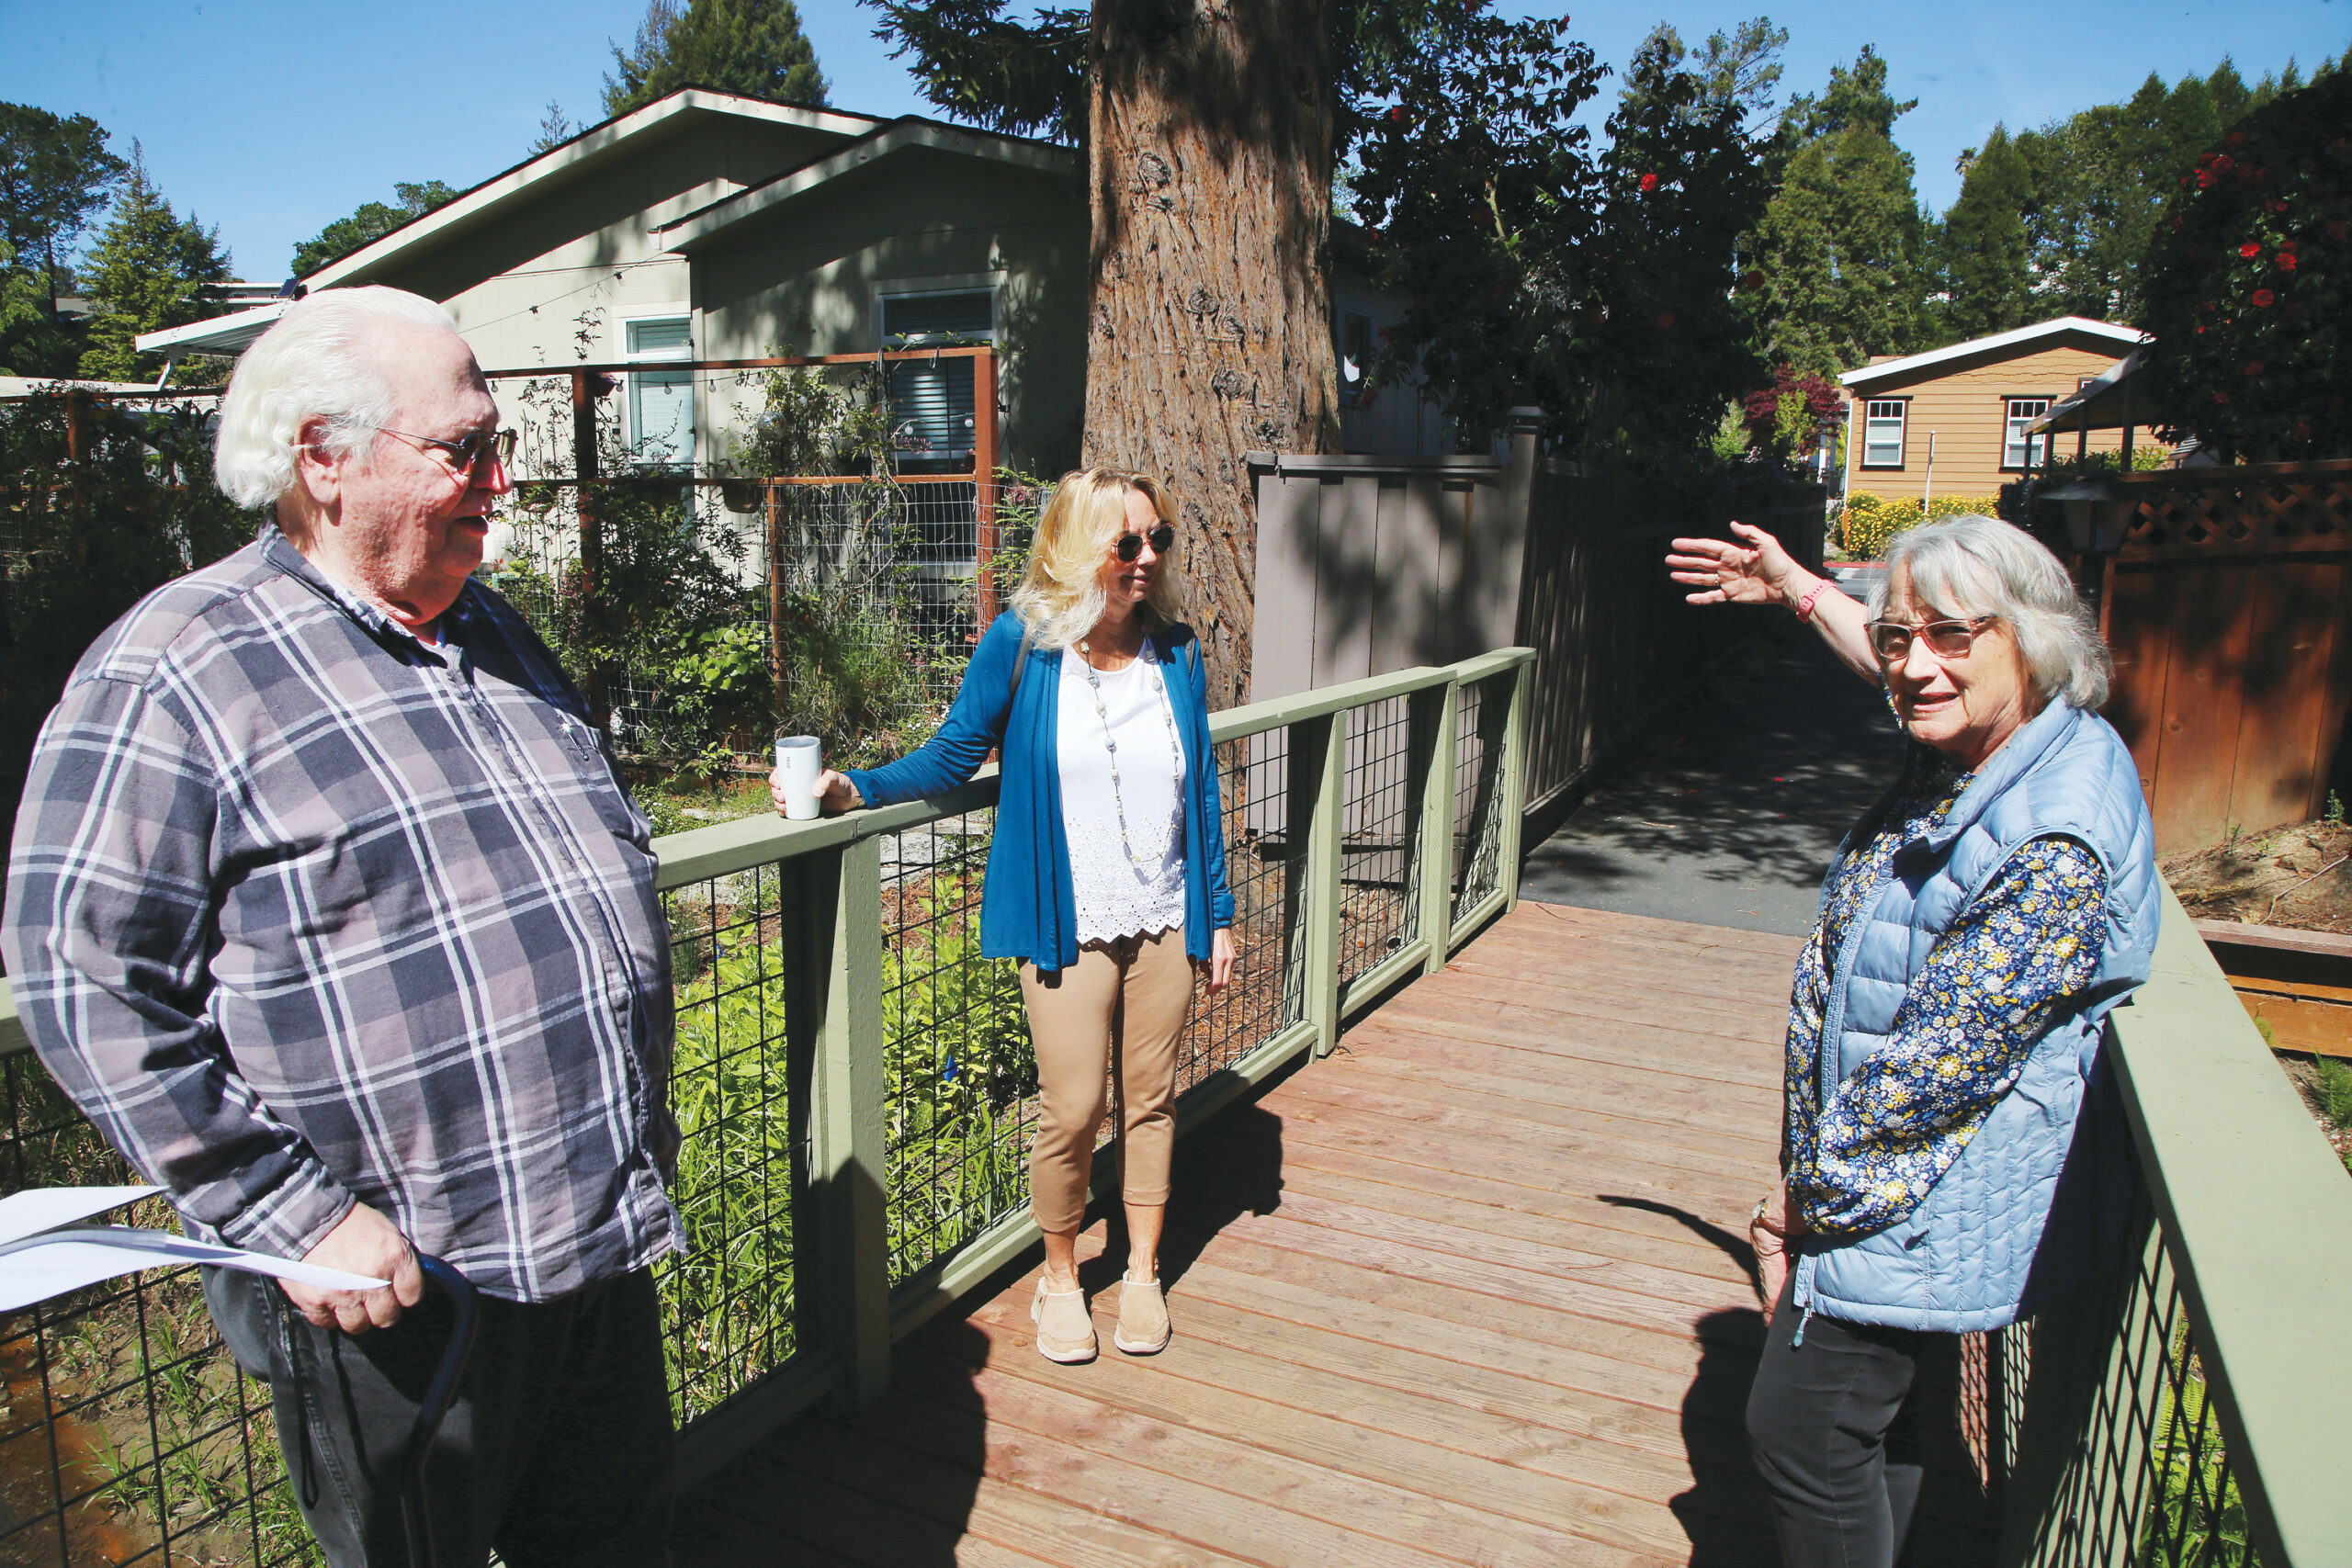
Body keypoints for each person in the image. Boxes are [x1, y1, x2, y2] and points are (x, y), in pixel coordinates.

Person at [4, 287, 683, 1568]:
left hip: (590, 1242)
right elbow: (80, 975)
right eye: (463, 447)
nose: (500, 478)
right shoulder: (179, 661)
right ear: (324, 455)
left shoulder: (489, 624)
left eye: (500, 444)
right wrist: (288, 1213)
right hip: (397, 1291)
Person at [1666, 515, 2159, 1567]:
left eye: (1948, 635)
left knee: (1798, 1427)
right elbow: (1909, 672)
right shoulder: (2019, 734)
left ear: (2027, 639)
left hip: (1909, 1190)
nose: (1913, 665)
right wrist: (1799, 587)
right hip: (1912, 1186)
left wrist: (1802, 1207)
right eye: (1898, 638)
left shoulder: (2049, 837)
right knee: (1872, 1426)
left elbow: (1935, 1074)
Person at [772, 468, 1236, 1363]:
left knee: (1151, 1100)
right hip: (1066, 915)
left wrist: (1214, 911)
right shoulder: (1024, 645)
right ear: (1076, 550)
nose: (1146, 559)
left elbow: (1202, 791)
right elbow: (953, 754)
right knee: (1071, 1106)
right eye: (1125, 543)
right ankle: (1060, 1278)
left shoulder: (1175, 651)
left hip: (1164, 914)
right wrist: (853, 788)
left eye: (1157, 540)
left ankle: (1140, 1273)